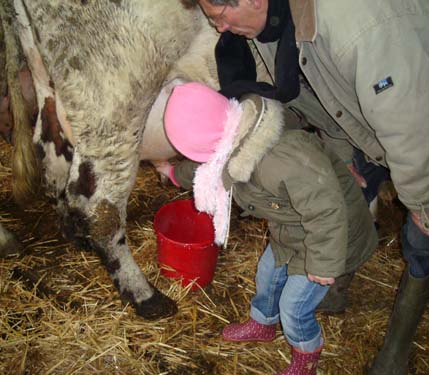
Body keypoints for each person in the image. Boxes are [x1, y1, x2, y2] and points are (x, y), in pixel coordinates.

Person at [188, 0, 429, 373]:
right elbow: (321, 97)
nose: (219, 29)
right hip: (378, 109)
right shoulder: (273, 26)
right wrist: (344, 154)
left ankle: (397, 348)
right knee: (347, 190)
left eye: (219, 17)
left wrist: (423, 199)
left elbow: (412, 117)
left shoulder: (358, 26)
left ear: (251, 0)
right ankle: (337, 281)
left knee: (426, 235)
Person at [157, 81, 377, 375]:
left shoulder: (280, 160)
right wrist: (172, 173)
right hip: (291, 228)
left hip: (330, 238)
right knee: (267, 275)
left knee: (295, 308)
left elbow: (327, 208)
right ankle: (262, 323)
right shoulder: (233, 135)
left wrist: (324, 263)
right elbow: (204, 167)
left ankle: (306, 355)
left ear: (211, 141)